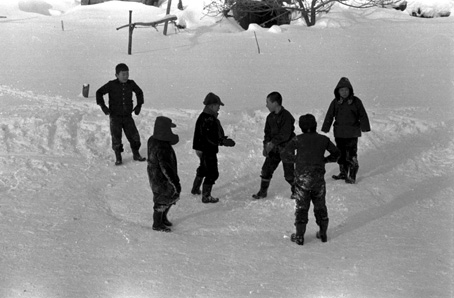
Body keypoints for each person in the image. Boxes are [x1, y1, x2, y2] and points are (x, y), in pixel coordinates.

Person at [281, 114, 340, 245]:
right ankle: (323, 233)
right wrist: (325, 160)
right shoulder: (323, 139)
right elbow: (337, 154)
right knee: (320, 206)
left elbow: (285, 155)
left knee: (302, 207)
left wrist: (297, 160)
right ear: (315, 125)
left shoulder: (297, 139)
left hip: (302, 179)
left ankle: (300, 236)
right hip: (318, 179)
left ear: (301, 127)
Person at [321, 77, 371, 184]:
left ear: (350, 90)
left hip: (352, 133)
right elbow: (330, 115)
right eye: (341, 90)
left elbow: (362, 114)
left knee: (351, 154)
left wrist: (365, 127)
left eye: (346, 90)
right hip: (339, 133)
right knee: (340, 154)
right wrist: (326, 127)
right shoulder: (335, 102)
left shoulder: (356, 101)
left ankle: (352, 175)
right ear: (338, 91)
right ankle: (343, 172)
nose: (344, 92)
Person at [96, 63, 146, 166]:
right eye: (123, 74)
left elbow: (139, 92)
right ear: (116, 75)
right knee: (116, 138)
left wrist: (139, 105)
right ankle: (118, 158)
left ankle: (136, 154)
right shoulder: (111, 85)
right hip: (115, 117)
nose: (126, 76)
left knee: (135, 137)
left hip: (127, 116)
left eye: (127, 74)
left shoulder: (131, 84)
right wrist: (103, 106)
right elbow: (99, 92)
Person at [191, 92, 236, 203]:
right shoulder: (208, 119)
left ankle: (195, 188)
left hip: (202, 148)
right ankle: (206, 196)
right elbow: (209, 137)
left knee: (203, 168)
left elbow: (210, 135)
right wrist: (222, 141)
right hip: (207, 149)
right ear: (211, 106)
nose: (219, 107)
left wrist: (221, 139)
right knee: (212, 173)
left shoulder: (206, 117)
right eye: (217, 105)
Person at [252, 91, 296, 199]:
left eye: (268, 102)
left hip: (286, 148)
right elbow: (267, 133)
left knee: (289, 175)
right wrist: (266, 145)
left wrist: (272, 143)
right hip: (274, 149)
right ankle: (263, 192)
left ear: (275, 103)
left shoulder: (287, 116)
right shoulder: (270, 117)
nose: (266, 105)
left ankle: (297, 191)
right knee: (266, 170)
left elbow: (285, 135)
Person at [147, 116, 181, 232]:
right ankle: (157, 224)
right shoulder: (162, 147)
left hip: (154, 176)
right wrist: (175, 182)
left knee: (168, 199)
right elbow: (166, 167)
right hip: (162, 179)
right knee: (162, 200)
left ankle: (163, 218)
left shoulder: (152, 139)